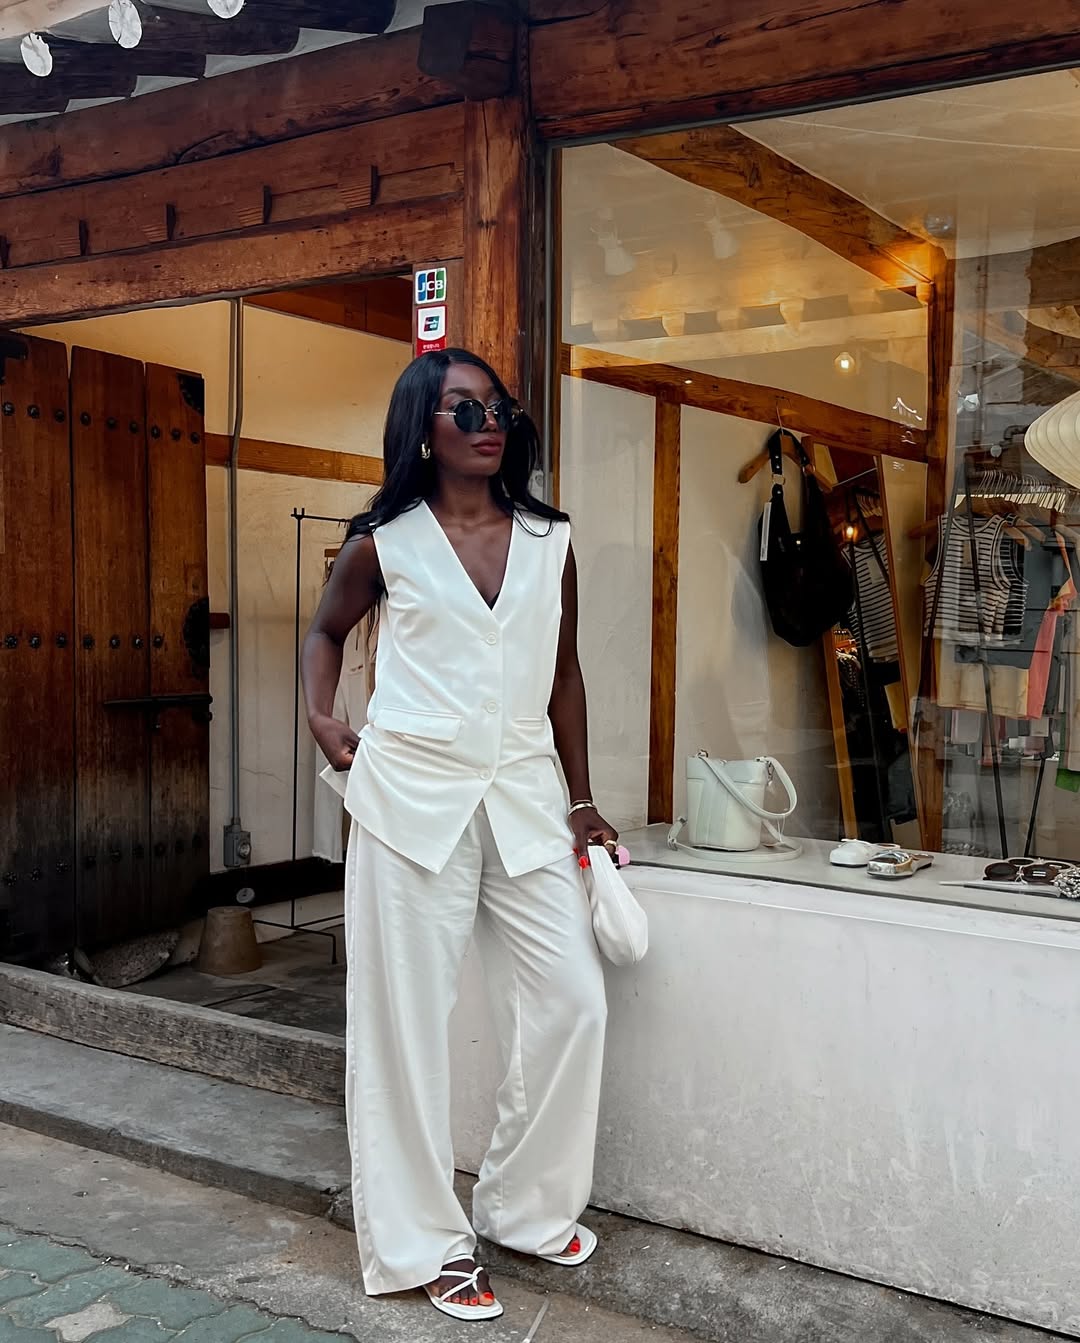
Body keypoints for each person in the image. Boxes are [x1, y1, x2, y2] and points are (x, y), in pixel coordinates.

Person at [301, 348, 617, 1322]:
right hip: (407, 794)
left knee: (574, 997)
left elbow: (563, 674)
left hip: (523, 791)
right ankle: (424, 1241)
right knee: (404, 1027)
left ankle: (522, 1205)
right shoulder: (382, 541)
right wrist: (322, 710)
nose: (487, 422)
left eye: (498, 408)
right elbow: (324, 631)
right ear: (422, 428)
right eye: (462, 408)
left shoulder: (550, 537)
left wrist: (583, 796)